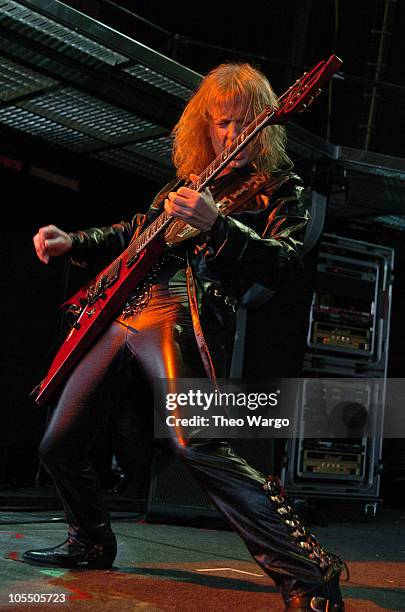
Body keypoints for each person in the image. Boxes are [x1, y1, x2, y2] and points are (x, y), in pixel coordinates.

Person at [25, 63, 346, 611]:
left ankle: (309, 576)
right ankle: (91, 541)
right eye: (224, 123)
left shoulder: (278, 186)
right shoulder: (185, 181)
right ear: (206, 126)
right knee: (58, 441)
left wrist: (219, 224)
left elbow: (285, 264)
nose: (235, 135)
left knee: (196, 440)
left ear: (269, 123)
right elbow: (136, 231)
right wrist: (70, 238)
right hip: (123, 308)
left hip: (182, 307)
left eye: (248, 122)